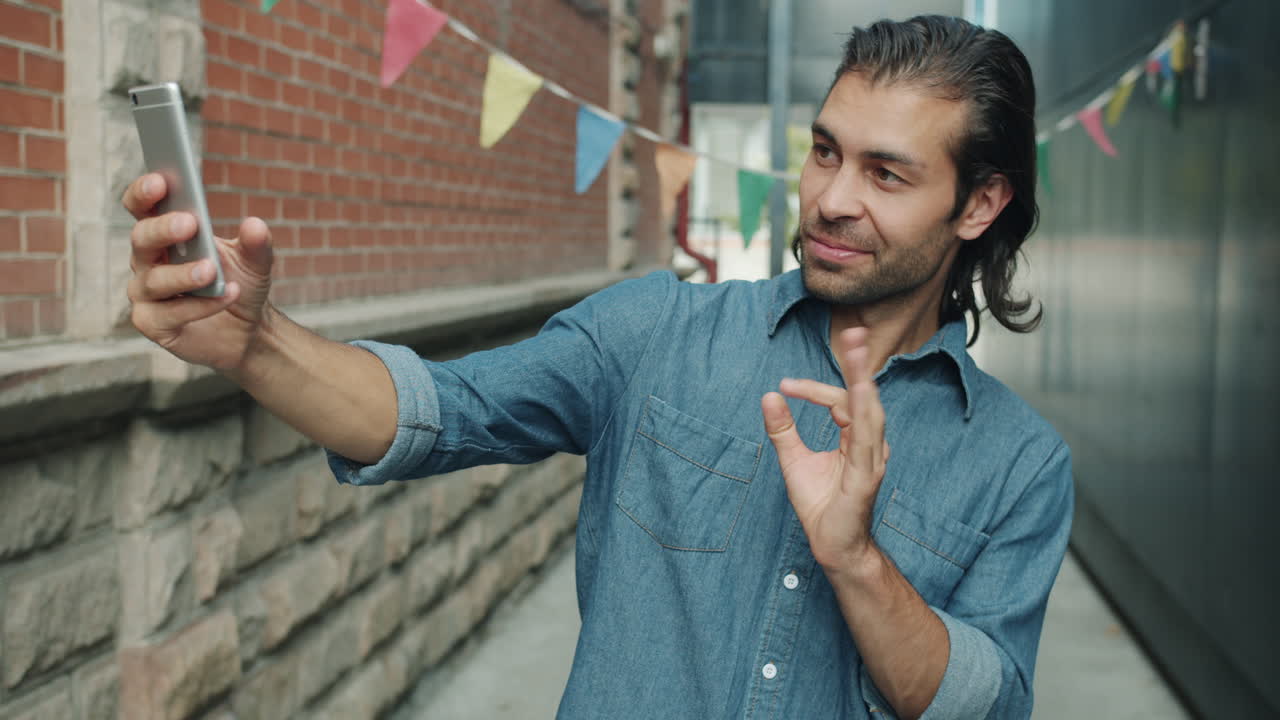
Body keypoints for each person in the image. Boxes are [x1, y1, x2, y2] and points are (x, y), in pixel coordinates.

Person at [123, 15, 1071, 720]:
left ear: (980, 203)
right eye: (824, 152)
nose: (830, 198)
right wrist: (254, 343)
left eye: (886, 173)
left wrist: (856, 561)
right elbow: (441, 412)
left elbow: (980, 706)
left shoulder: (1021, 467)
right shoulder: (658, 329)